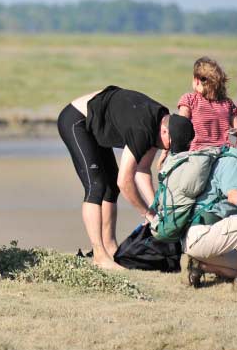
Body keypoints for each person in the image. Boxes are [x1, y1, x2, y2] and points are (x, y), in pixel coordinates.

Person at [57, 86, 195, 270]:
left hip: (97, 125)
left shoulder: (162, 122)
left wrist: (156, 209)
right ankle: (99, 255)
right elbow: (125, 181)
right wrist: (146, 213)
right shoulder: (143, 129)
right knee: (96, 188)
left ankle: (110, 249)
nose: (167, 150)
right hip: (76, 120)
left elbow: (142, 171)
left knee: (110, 189)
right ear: (164, 131)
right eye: (170, 145)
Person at [183, 150, 237, 287]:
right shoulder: (232, 161)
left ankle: (199, 265)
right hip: (203, 232)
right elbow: (234, 196)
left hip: (205, 238)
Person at [177, 56, 235, 150]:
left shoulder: (189, 99)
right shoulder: (228, 103)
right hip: (225, 151)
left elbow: (180, 127)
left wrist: (168, 151)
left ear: (196, 80)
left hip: (200, 152)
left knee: (171, 164)